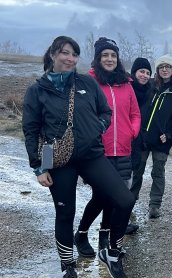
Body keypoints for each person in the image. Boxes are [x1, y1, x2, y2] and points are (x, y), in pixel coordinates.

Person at [22, 36, 134, 278]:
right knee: (65, 212)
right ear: (52, 54)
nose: (70, 58)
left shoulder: (86, 83)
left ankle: (112, 253)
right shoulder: (37, 91)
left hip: (91, 155)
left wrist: (99, 127)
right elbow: (30, 130)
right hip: (60, 161)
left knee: (124, 199)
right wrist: (38, 167)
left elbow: (105, 110)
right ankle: (68, 267)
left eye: (74, 54)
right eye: (65, 53)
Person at [74, 36, 140, 271]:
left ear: (117, 59)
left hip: (122, 149)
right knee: (101, 196)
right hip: (97, 151)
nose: (110, 59)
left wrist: (132, 131)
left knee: (116, 196)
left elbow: (135, 113)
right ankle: (81, 234)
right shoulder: (88, 82)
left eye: (113, 55)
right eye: (105, 55)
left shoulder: (126, 83)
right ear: (98, 58)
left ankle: (105, 237)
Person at [132, 54, 172, 219]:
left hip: (162, 140)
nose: (165, 69)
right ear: (157, 70)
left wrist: (170, 135)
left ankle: (154, 205)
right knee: (137, 171)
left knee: (157, 172)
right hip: (142, 138)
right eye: (162, 67)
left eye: (168, 67)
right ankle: (129, 201)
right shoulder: (148, 85)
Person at [127, 57, 153, 232]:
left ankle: (128, 207)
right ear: (134, 72)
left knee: (137, 175)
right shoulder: (126, 88)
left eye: (147, 72)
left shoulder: (152, 91)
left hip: (142, 141)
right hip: (124, 139)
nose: (144, 75)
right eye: (141, 71)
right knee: (122, 175)